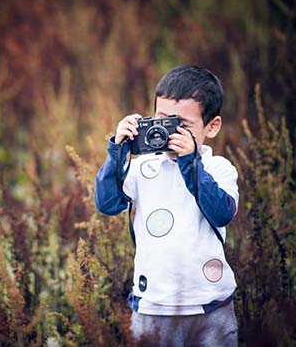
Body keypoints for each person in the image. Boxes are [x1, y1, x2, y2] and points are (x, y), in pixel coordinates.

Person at [94, 65, 239, 346]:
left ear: (212, 127)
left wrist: (190, 163)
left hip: (210, 306)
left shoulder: (219, 168)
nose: (169, 132)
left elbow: (221, 212)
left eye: (182, 125)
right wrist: (118, 152)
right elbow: (107, 203)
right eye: (162, 120)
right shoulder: (142, 168)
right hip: (152, 307)